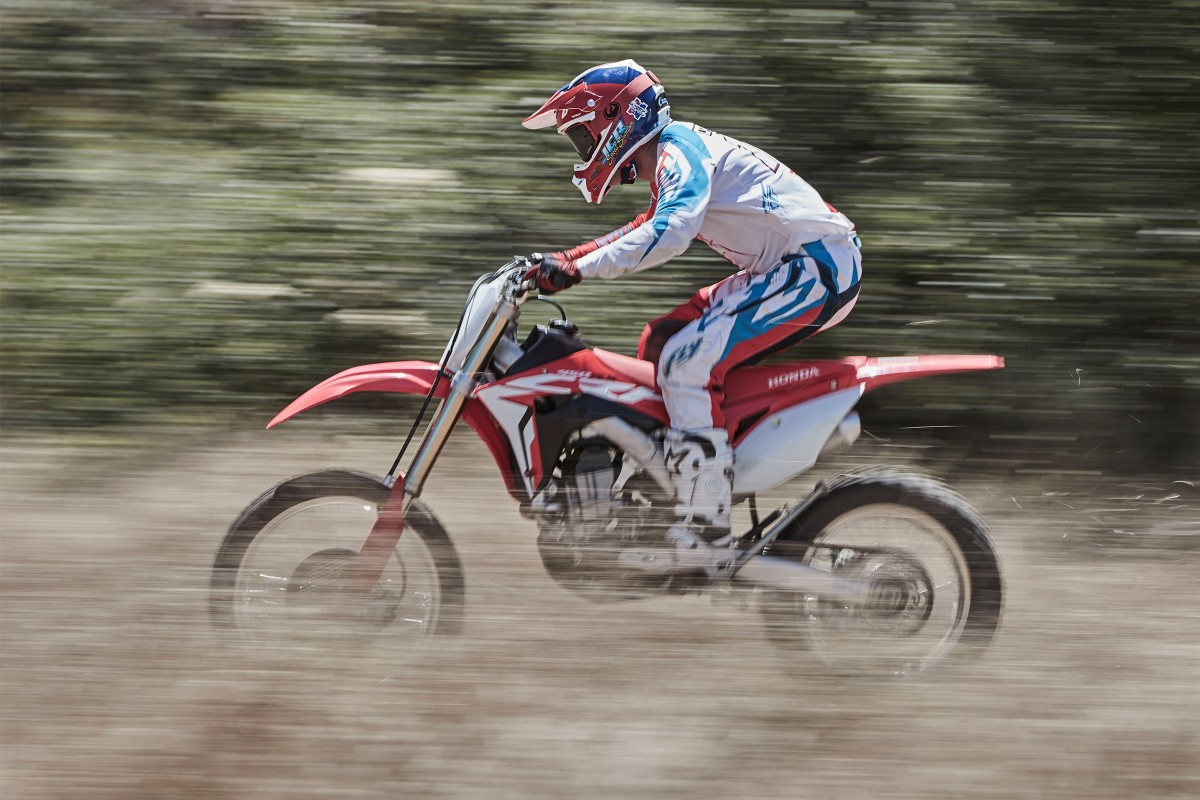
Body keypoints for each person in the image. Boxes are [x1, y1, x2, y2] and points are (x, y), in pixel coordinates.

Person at [523, 59, 861, 573]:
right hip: (787, 267)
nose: (583, 150)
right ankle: (676, 481)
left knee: (684, 362)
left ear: (617, 119)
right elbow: (650, 223)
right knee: (664, 338)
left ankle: (707, 524)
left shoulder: (678, 151)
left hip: (817, 267)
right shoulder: (674, 155)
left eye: (583, 136)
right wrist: (566, 258)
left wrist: (577, 269)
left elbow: (670, 232)